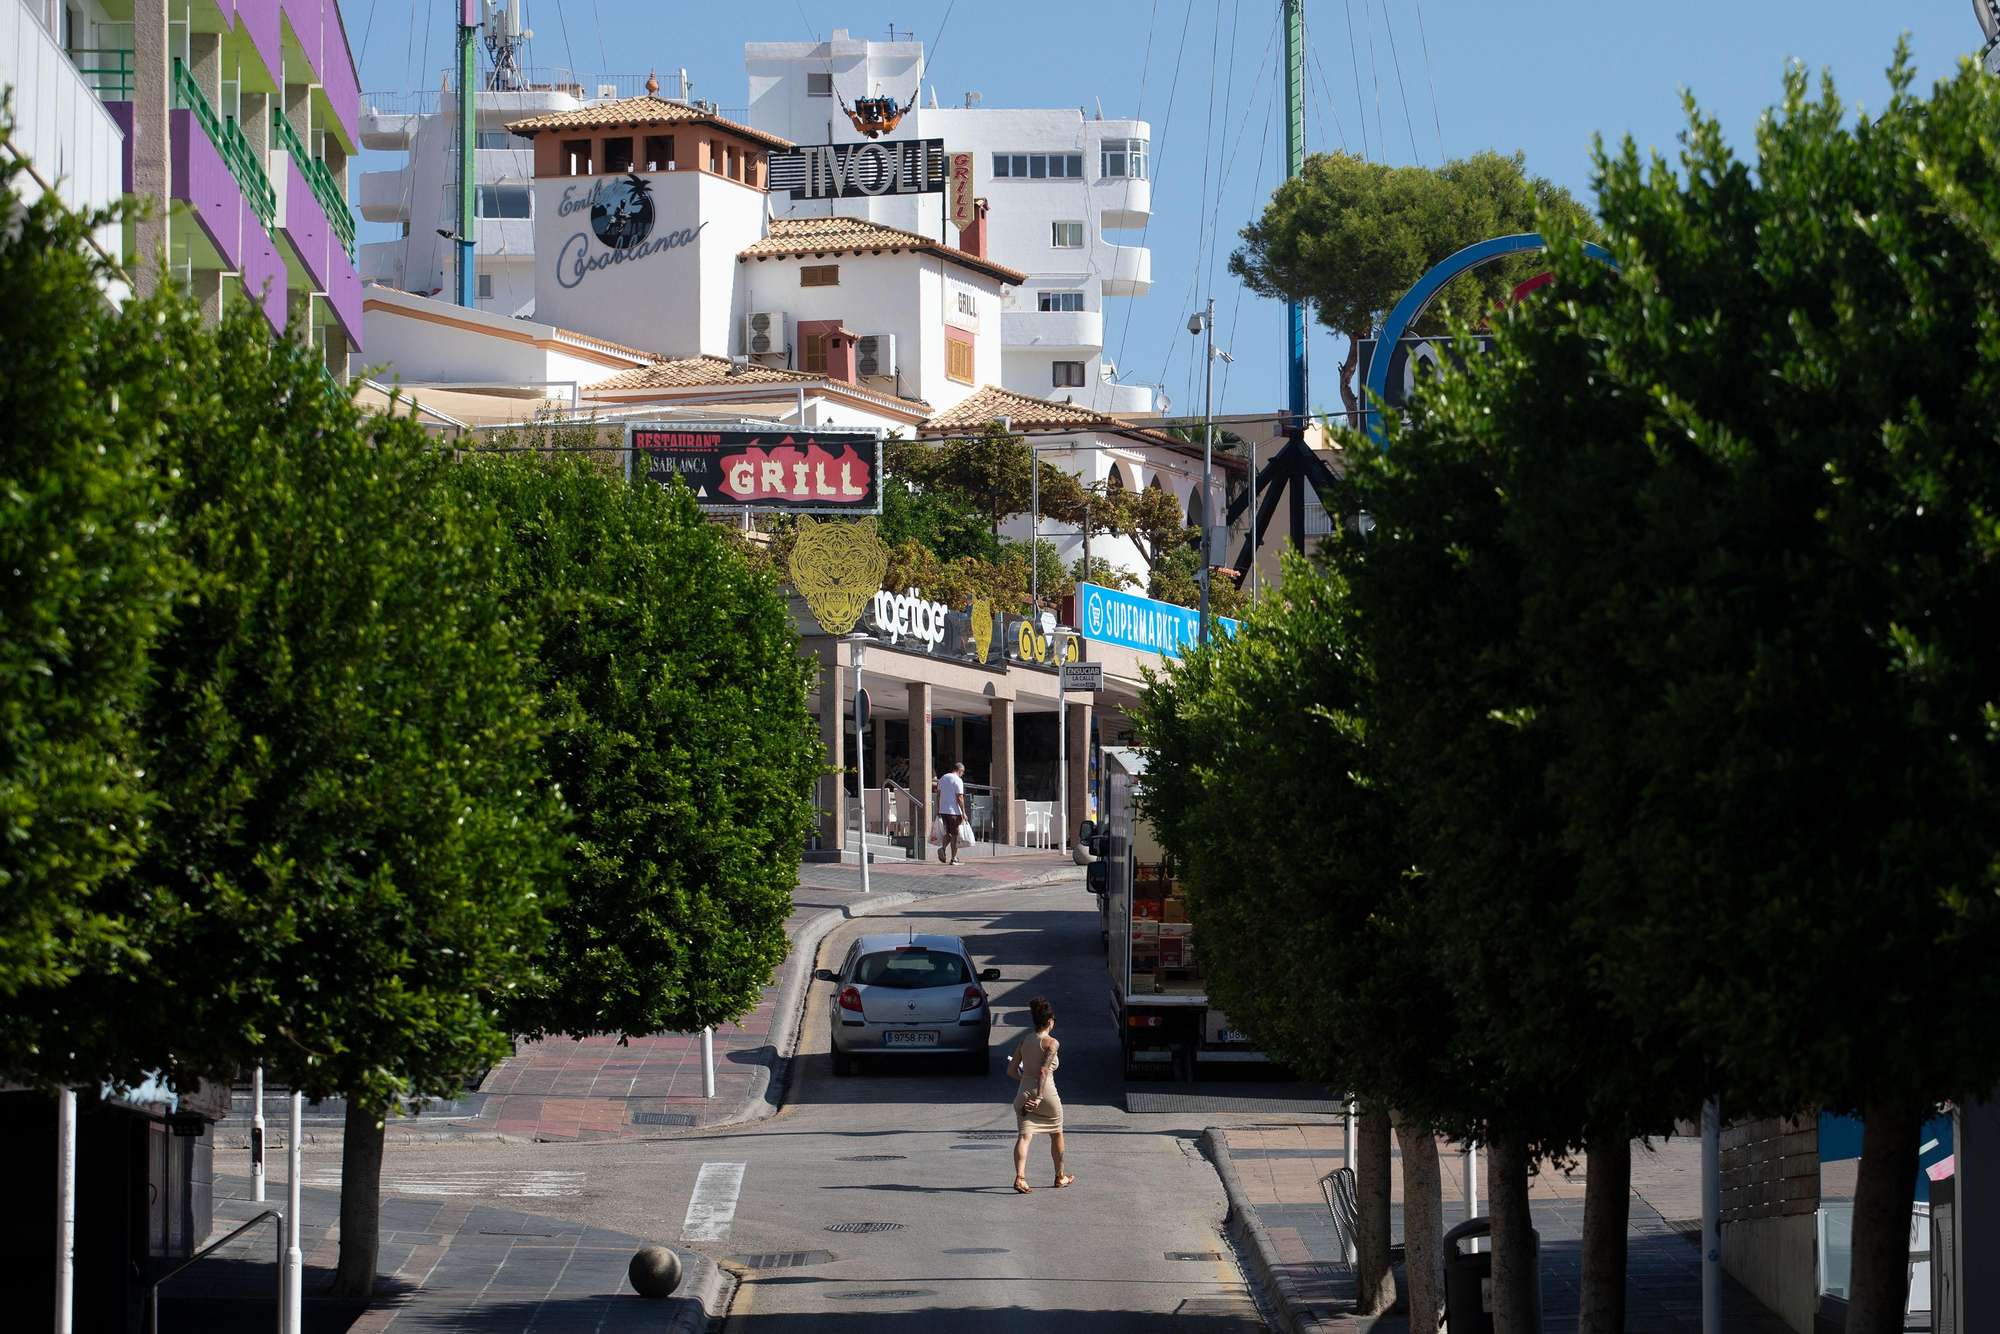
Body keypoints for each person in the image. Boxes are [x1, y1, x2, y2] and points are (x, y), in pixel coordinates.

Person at [1007, 995, 1072, 1192]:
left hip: (1024, 1094)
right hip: (1046, 1097)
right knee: (1056, 1133)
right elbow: (1044, 1071)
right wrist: (1040, 1096)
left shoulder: (1024, 1041)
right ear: (1050, 1022)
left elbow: (1010, 1070)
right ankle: (1060, 1176)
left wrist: (1025, 1079)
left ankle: (1020, 1177)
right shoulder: (1051, 1043)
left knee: (1024, 1136)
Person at [936, 761, 967, 864]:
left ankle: (943, 848)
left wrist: (938, 809)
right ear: (960, 771)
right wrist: (963, 812)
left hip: (943, 810)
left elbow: (938, 795)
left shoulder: (943, 778)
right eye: (962, 773)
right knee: (954, 834)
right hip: (954, 811)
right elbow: (960, 797)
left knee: (948, 832)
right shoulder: (957, 780)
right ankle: (954, 858)